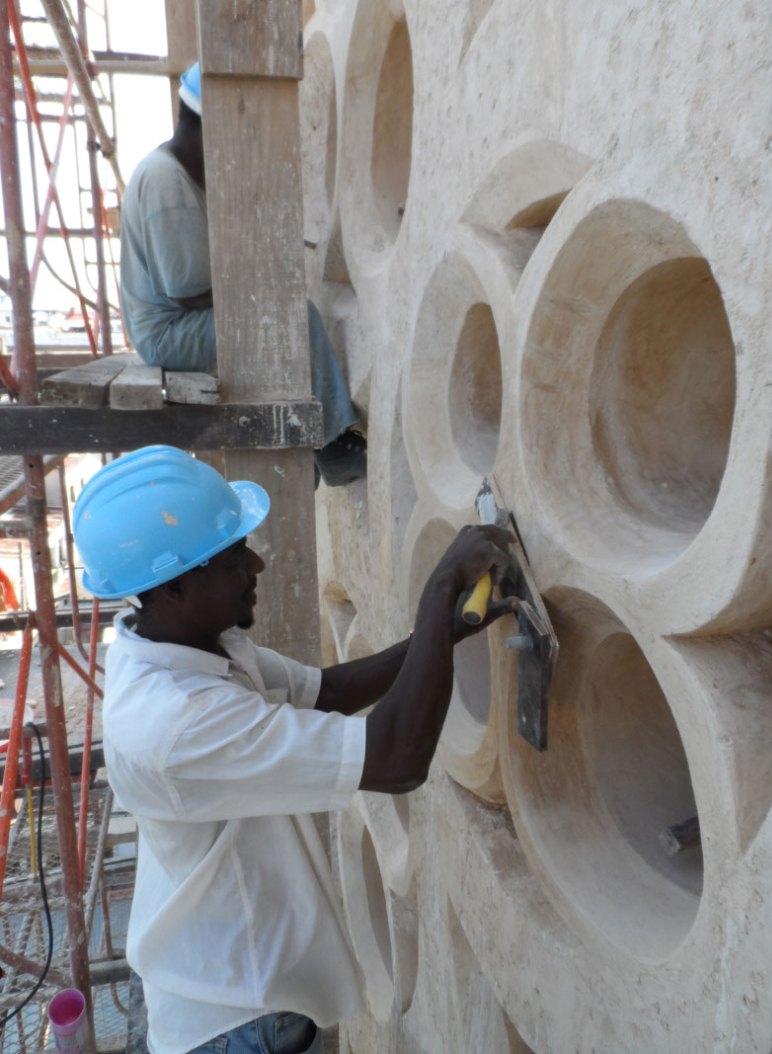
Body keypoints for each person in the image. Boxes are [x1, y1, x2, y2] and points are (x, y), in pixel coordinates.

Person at [73, 445, 515, 1054]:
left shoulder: (188, 643)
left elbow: (326, 691)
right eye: (232, 558)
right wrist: (440, 592)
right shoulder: (178, 724)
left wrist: (449, 631)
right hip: (234, 1017)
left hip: (229, 987)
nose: (255, 563)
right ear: (173, 586)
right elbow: (396, 760)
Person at [119, 62, 365, 488]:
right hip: (167, 332)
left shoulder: (178, 170)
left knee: (272, 319)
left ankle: (300, 442)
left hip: (173, 321)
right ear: (211, 126)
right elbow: (186, 290)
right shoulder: (166, 182)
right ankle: (333, 447)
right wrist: (263, 285)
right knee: (292, 321)